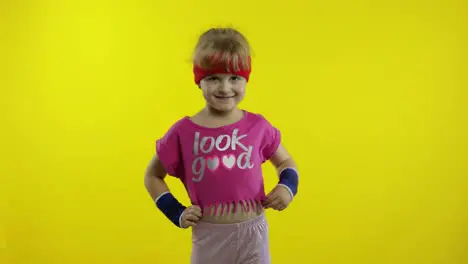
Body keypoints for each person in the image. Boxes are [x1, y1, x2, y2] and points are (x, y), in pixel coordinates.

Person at [144, 27, 299, 264]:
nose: (225, 88)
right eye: (214, 78)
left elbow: (286, 161)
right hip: (209, 238)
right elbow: (153, 175)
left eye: (234, 78)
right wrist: (175, 211)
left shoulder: (258, 126)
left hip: (254, 234)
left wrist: (287, 187)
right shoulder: (183, 132)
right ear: (199, 81)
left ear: (246, 79)